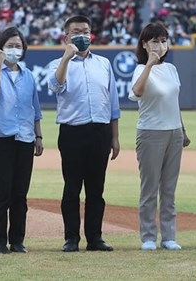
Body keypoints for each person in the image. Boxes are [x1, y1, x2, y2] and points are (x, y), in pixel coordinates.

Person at [47, 15, 120, 252]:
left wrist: (115, 136)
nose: (83, 35)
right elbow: (57, 87)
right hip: (72, 132)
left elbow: (112, 103)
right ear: (66, 37)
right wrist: (66, 59)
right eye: (77, 32)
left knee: (96, 189)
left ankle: (95, 238)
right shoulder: (57, 63)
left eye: (86, 31)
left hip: (100, 131)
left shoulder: (103, 64)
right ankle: (71, 238)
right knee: (72, 188)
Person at [129, 22, 191, 251]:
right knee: (149, 188)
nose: (160, 44)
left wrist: (182, 130)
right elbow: (137, 92)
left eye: (164, 40)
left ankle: (168, 236)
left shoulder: (171, 70)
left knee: (169, 188)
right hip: (150, 133)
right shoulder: (140, 69)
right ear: (144, 44)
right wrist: (150, 64)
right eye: (155, 40)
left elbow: (174, 102)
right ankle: (147, 236)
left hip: (173, 132)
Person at [0, 27, 44, 254]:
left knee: (20, 192)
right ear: (0, 47)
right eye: (10, 45)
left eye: (18, 46)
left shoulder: (28, 76)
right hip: (0, 136)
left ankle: (17, 239)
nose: (14, 49)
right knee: (2, 191)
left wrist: (38, 135)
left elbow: (34, 107)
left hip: (25, 137)